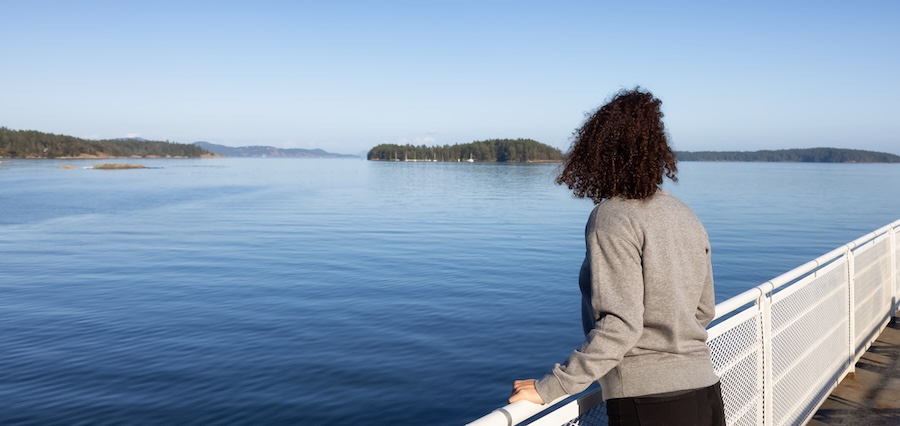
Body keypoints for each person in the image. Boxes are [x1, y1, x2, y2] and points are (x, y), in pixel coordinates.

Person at [508, 88, 726, 426]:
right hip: (706, 392)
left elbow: (620, 326)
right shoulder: (685, 216)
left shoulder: (611, 217)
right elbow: (703, 310)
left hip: (649, 404)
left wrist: (551, 387)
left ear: (598, 152)